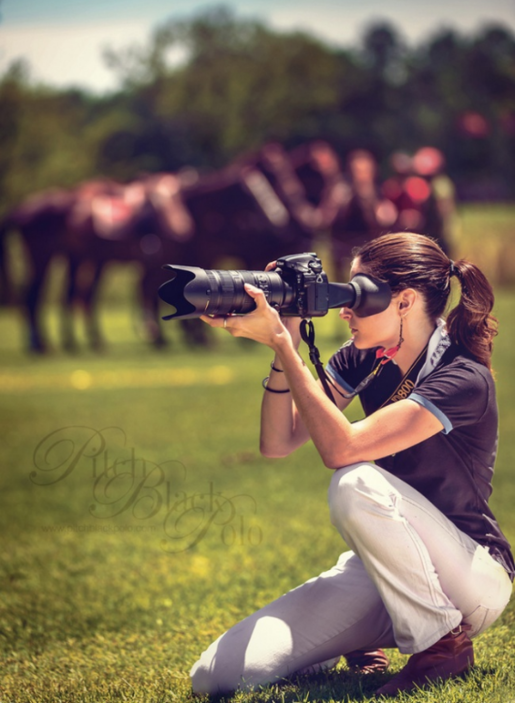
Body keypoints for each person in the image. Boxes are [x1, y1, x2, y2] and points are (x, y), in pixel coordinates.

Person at [190, 232, 514, 698]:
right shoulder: (364, 358)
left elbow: (343, 450)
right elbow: (278, 443)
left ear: (404, 302)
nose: (345, 310)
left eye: (359, 296)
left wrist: (283, 345)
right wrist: (286, 340)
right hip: (388, 570)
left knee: (355, 481)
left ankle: (442, 647)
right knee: (215, 677)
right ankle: (366, 637)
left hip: (472, 576)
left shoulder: (463, 376)